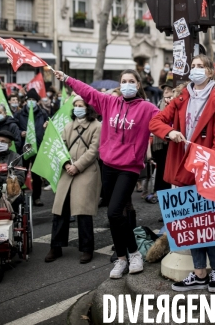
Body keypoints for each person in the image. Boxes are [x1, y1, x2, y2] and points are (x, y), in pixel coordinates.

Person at [54, 68, 159, 279]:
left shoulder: (147, 108)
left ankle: (134, 253)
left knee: (113, 212)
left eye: (131, 81)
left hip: (129, 168)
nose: (127, 84)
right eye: (124, 81)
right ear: (120, 85)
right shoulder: (110, 103)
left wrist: (174, 132)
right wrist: (67, 79)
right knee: (116, 216)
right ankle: (121, 259)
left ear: (138, 85)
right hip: (108, 166)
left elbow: (164, 122)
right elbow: (88, 91)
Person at [149, 54, 215, 293]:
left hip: (206, 167)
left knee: (208, 221)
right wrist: (169, 132)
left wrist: (209, 167)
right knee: (191, 222)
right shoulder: (182, 95)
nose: (195, 70)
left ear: (210, 71)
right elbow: (156, 121)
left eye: (200, 66)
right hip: (184, 166)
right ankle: (199, 273)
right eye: (192, 66)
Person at [45, 96, 101, 264]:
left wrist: (77, 166)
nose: (77, 108)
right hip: (68, 171)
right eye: (75, 105)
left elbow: (93, 151)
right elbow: (60, 146)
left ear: (88, 107)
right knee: (60, 209)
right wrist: (67, 164)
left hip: (86, 171)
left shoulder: (97, 126)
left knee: (83, 211)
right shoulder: (68, 126)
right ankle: (56, 246)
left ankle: (87, 248)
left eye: (81, 105)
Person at [16, 88, 49, 206]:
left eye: (33, 99)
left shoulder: (43, 113)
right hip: (24, 148)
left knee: (36, 174)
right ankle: (19, 197)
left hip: (38, 148)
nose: (31, 101)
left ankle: (37, 198)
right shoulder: (20, 114)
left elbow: (50, 127)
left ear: (37, 101)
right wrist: (20, 133)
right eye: (29, 99)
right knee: (21, 173)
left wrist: (47, 126)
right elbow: (14, 128)